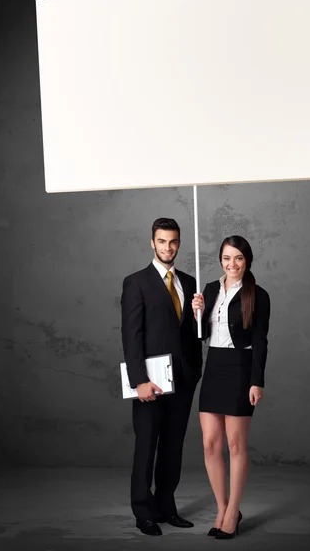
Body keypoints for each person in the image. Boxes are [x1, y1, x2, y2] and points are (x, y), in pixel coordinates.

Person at [121, 217, 202, 536]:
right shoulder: (136, 282)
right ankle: (143, 511)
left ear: (179, 243)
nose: (168, 247)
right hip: (150, 381)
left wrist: (200, 315)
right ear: (152, 243)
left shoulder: (190, 283)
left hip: (182, 379)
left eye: (174, 241)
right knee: (147, 445)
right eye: (162, 241)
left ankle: (166, 506)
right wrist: (139, 379)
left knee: (173, 446)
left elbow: (198, 334)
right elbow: (131, 334)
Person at [192, 235, 270, 540]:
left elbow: (261, 340)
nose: (232, 264)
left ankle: (233, 511)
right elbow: (202, 336)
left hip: (241, 369)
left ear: (247, 260)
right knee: (210, 443)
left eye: (238, 258)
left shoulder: (258, 294)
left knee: (236, 445)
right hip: (214, 367)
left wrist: (256, 381)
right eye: (226, 258)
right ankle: (224, 509)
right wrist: (197, 312)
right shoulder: (211, 289)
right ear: (220, 259)